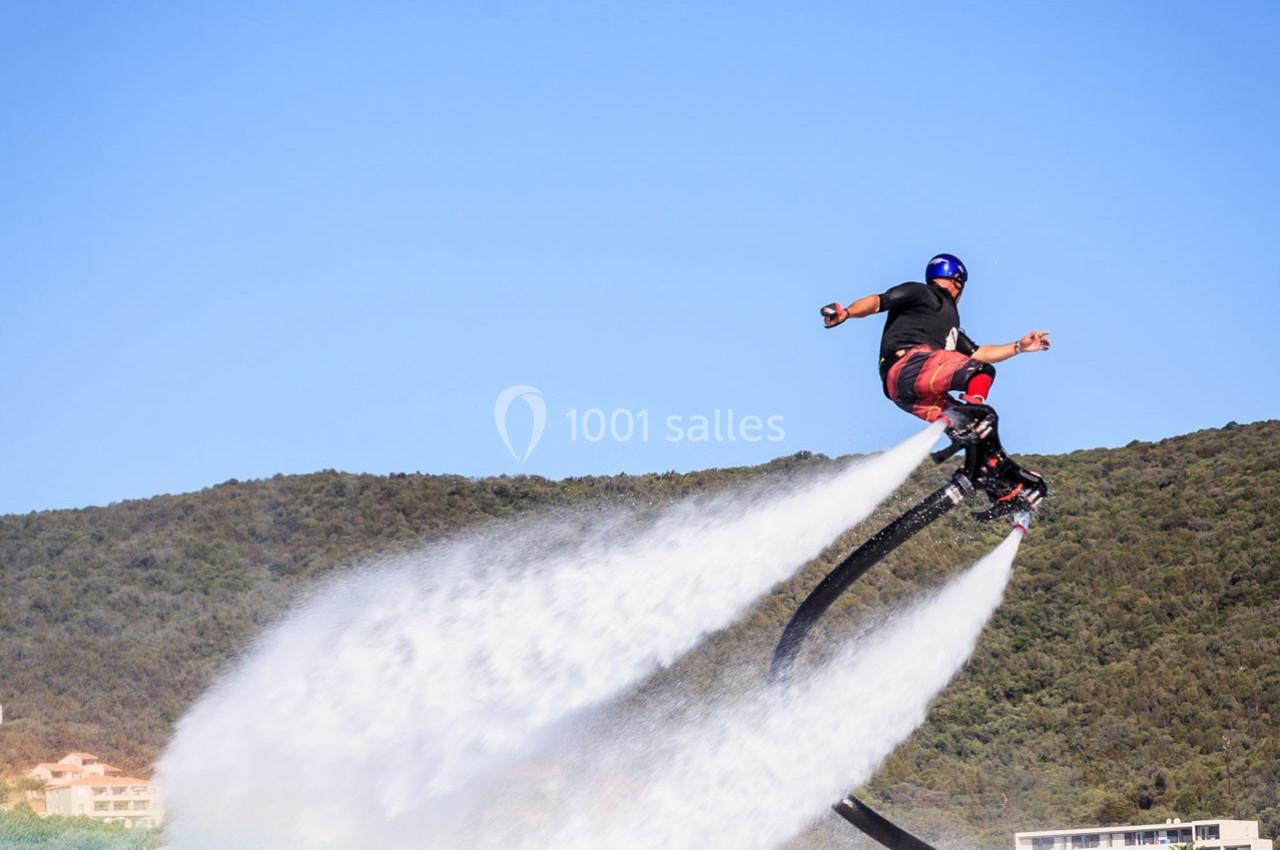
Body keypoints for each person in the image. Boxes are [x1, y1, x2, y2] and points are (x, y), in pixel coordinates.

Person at [821, 253, 1051, 425]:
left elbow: (978, 353)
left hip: (901, 392)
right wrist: (847, 312)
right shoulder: (922, 292)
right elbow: (878, 301)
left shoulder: (948, 329)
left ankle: (989, 474)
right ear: (957, 280)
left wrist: (1018, 347)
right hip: (910, 365)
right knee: (981, 373)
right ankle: (974, 408)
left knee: (971, 425)